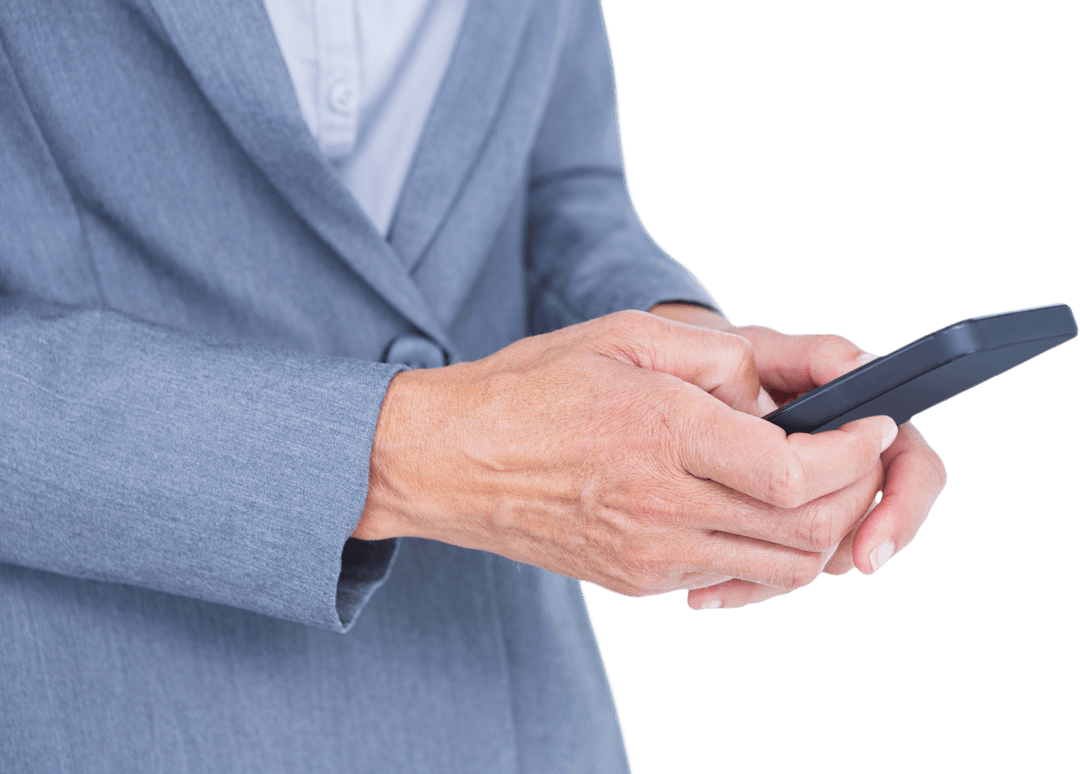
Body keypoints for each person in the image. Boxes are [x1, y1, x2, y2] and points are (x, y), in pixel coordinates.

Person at [0, 0, 947, 771]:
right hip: (104, 713)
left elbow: (553, 190)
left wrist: (695, 362)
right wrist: (411, 451)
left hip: (519, 717)